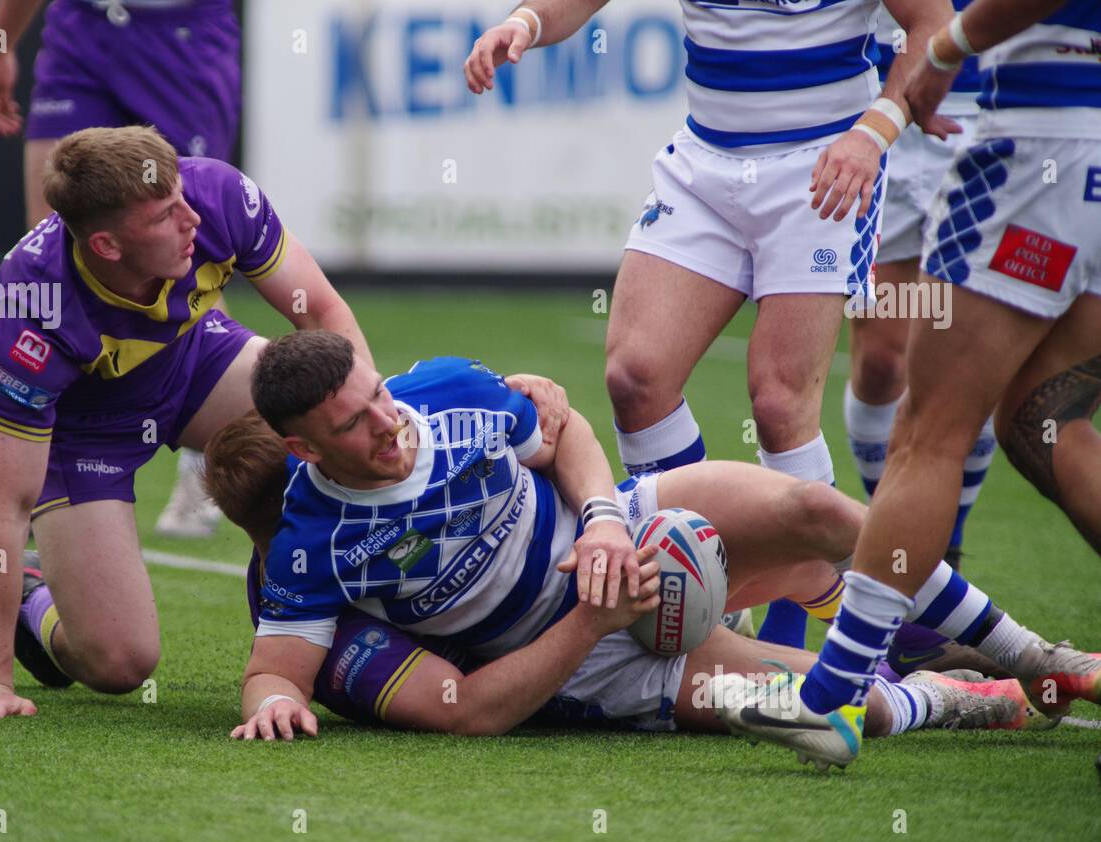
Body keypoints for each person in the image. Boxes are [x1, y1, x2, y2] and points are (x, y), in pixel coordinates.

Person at [225, 332, 1054, 761]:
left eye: (377, 397)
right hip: (585, 656)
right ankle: (947, 694)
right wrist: (271, 701)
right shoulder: (310, 546)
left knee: (820, 511)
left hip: (627, 525)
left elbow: (564, 433)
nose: (387, 427)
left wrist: (604, 523)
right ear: (305, 452)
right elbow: (292, 675)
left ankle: (1034, 652)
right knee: (842, 715)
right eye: (353, 426)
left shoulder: (441, 389)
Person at [466, 0, 954, 649]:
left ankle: (803, 622)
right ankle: (704, 587)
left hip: (827, 164)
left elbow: (932, 22)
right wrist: (524, 23)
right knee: (636, 376)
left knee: (780, 404)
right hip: (706, 161)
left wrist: (876, 129)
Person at [720, 0, 1101, 767]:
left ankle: (832, 701)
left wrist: (950, 43)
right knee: (1041, 419)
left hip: (1042, 139)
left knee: (930, 432)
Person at [0, 125, 371, 719]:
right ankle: (33, 602)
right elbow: (3, 503)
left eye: (182, 198)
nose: (191, 218)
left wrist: (369, 418)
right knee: (119, 664)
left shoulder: (215, 194)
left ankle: (305, 617)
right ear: (107, 246)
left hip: (197, 362)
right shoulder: (33, 301)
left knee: (331, 432)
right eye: (166, 214)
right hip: (86, 433)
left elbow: (322, 312)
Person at [0, 0, 242, 538]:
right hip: (81, 26)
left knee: (184, 241)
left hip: (179, 31)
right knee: (51, 243)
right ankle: (36, 468)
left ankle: (205, 468)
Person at [844, 0, 995, 574]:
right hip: (881, 109)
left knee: (969, 355)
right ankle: (893, 529)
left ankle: (940, 552)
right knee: (882, 361)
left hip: (986, 108)